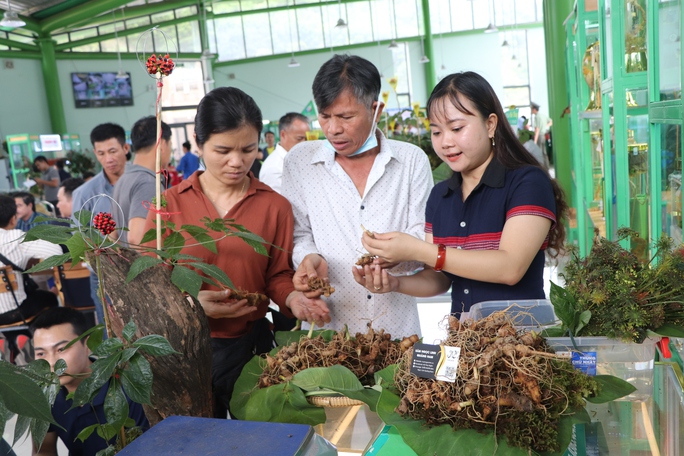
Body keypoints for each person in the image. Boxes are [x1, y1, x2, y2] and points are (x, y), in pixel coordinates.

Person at [143, 87, 330, 418]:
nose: (237, 161)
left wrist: (293, 300)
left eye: (248, 149)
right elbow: (146, 281)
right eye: (223, 150)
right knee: (197, 440)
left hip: (249, 348)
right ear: (198, 145)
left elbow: (276, 275)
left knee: (259, 435)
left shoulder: (275, 206)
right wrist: (191, 305)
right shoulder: (168, 205)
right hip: (182, 347)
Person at [353, 72, 567, 318]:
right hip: (464, 342)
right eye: (436, 132)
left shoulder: (527, 183)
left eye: (456, 128)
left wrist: (417, 250)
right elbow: (440, 278)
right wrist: (395, 284)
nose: (445, 142)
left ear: (490, 124)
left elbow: (510, 268)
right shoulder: (440, 196)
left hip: (521, 343)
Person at [282, 54, 433, 336]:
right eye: (324, 116)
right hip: (329, 327)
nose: (333, 129)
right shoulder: (300, 162)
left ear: (376, 110)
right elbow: (299, 234)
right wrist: (310, 258)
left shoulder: (411, 161)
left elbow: (423, 236)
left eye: (346, 117)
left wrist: (398, 256)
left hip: (396, 330)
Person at [31, 307, 149, 456]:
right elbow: (44, 450)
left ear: (87, 345)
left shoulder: (124, 388)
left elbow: (148, 447)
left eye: (61, 349)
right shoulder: (44, 397)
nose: (52, 362)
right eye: (41, 353)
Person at [71, 123, 130, 330]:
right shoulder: (85, 193)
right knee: (112, 332)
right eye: (101, 153)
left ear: (126, 148)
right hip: (104, 275)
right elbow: (78, 237)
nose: (108, 159)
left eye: (113, 151)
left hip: (143, 268)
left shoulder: (144, 182)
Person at [0, 195, 61, 327]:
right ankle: (31, 335)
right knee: (48, 298)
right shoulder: (15, 237)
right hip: (14, 312)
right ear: (12, 219)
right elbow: (56, 252)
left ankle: (11, 341)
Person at [113, 116, 172, 246]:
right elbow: (137, 239)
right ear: (162, 144)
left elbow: (113, 235)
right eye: (170, 145)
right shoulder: (148, 183)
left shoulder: (125, 178)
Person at [259, 113, 310, 194]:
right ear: (283, 135)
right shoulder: (273, 169)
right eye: (299, 138)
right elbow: (278, 204)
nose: (304, 143)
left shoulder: (300, 157)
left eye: (306, 139)